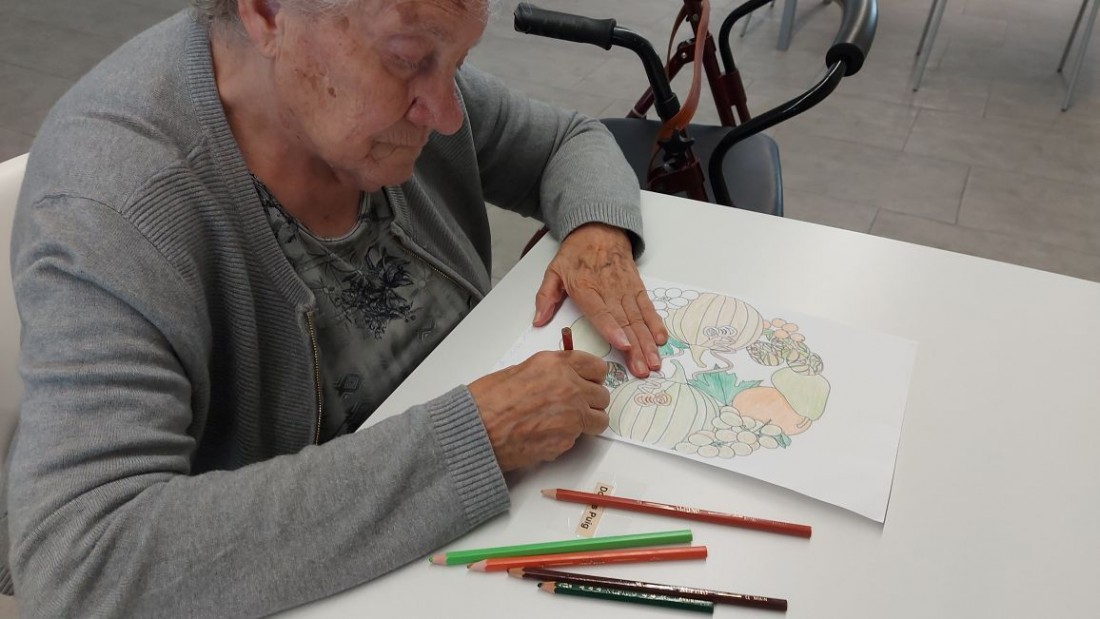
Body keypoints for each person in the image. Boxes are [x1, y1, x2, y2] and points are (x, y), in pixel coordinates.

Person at [5, 0, 668, 615]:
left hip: (473, 530)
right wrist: (477, 440)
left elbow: (568, 140)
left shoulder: (389, 81)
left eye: (458, 61)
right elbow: (79, 565)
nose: (445, 113)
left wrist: (595, 231)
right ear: (267, 12)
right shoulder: (114, 203)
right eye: (408, 59)